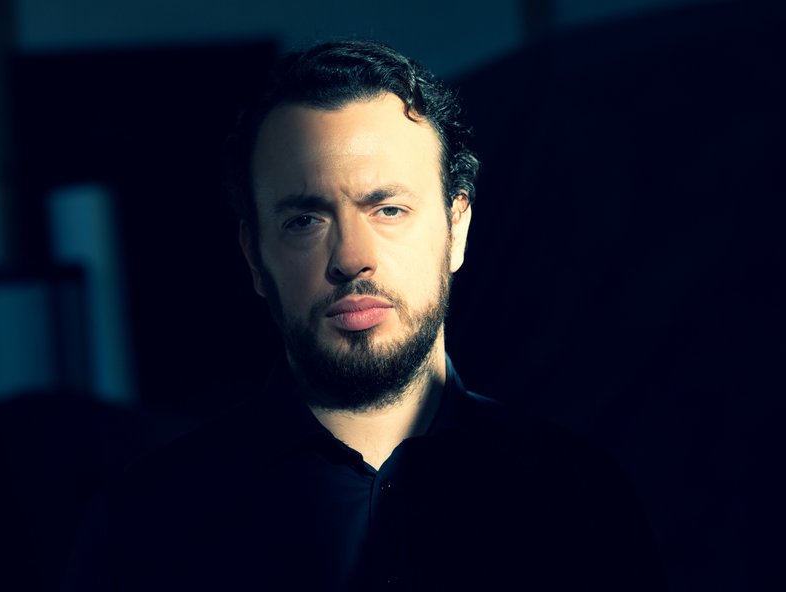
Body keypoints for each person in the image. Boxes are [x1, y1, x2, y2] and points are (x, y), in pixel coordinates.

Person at [62, 39, 668, 591]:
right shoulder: (146, 523)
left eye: (389, 210)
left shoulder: (576, 497)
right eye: (305, 220)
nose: (351, 257)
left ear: (456, 229)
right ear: (254, 257)